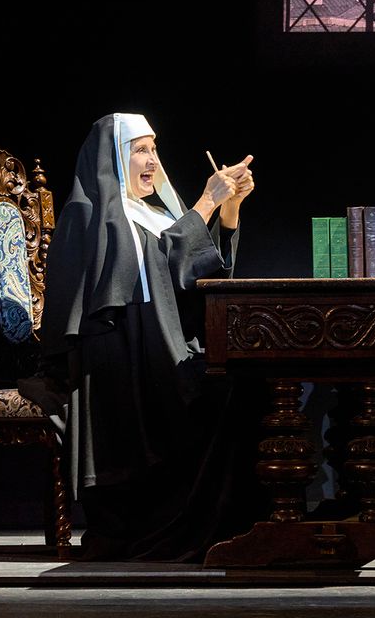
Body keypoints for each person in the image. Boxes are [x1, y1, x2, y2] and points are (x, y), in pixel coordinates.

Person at [29, 113, 254, 561]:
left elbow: (188, 277)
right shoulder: (91, 215)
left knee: (245, 384)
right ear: (112, 158)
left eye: (154, 149)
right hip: (118, 357)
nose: (153, 160)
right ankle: (187, 520)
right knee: (224, 393)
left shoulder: (154, 213)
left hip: (162, 343)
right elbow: (140, 275)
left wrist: (228, 210)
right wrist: (205, 204)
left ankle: (240, 521)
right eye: (140, 150)